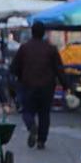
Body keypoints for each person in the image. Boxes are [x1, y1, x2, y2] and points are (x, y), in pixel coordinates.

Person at [9, 21, 69, 149]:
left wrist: (19, 78)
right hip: (47, 86)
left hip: (28, 85)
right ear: (44, 33)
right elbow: (59, 69)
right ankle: (41, 140)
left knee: (27, 111)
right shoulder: (51, 49)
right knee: (44, 114)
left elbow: (14, 68)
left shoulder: (24, 48)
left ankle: (31, 126)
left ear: (32, 32)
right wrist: (66, 86)